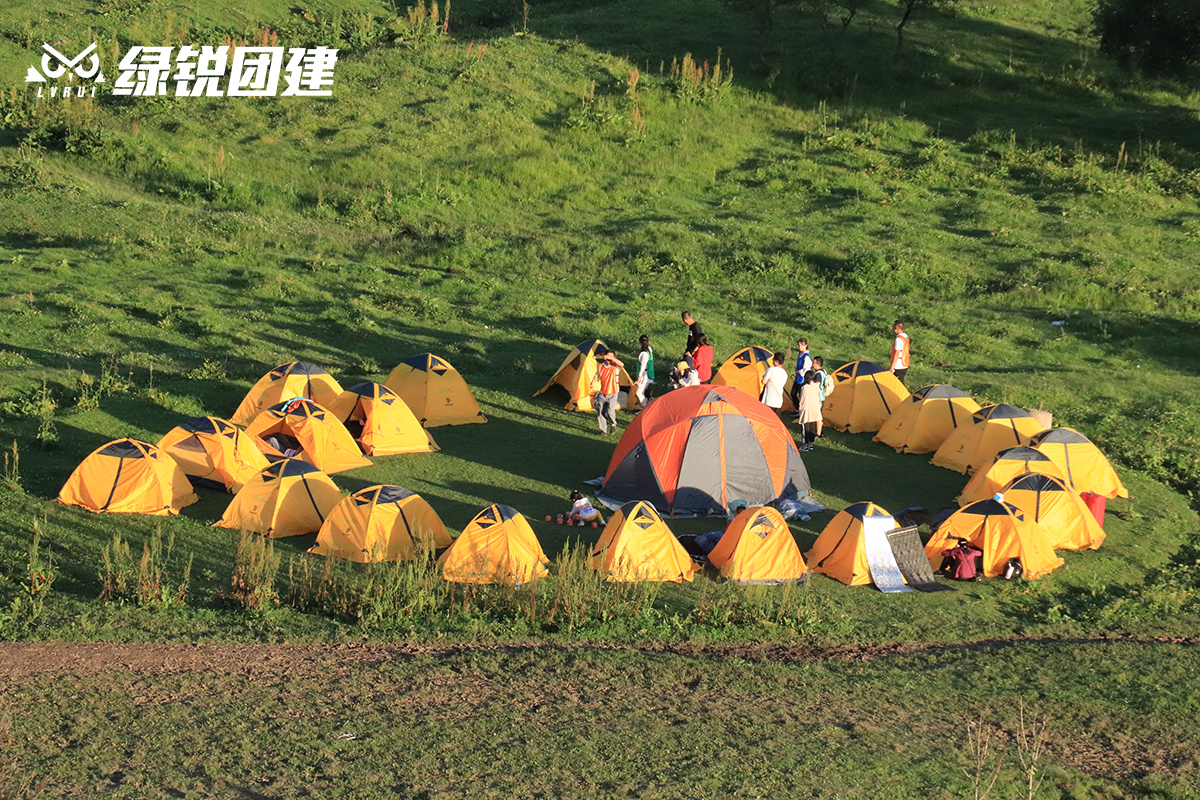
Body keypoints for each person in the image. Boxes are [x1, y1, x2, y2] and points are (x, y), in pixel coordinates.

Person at [594, 349, 625, 435]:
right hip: (603, 393)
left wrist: (612, 358)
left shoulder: (616, 366)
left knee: (610, 411)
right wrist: (593, 383)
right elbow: (597, 375)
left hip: (613, 392)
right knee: (600, 412)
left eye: (611, 357)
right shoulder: (600, 366)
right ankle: (603, 430)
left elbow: (622, 364)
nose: (609, 359)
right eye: (608, 357)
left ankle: (613, 424)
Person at [796, 370, 823, 451]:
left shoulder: (804, 388)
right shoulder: (816, 386)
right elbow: (819, 397)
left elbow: (803, 399)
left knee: (806, 427)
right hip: (815, 408)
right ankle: (811, 443)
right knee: (812, 426)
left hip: (807, 409)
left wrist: (800, 409)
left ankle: (805, 444)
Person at [788, 338, 812, 410]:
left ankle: (801, 410)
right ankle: (797, 409)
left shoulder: (806, 356)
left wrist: (799, 371)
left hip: (803, 378)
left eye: (801, 345)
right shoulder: (800, 354)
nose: (800, 347)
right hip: (798, 377)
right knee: (793, 393)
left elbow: (806, 369)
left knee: (801, 395)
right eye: (799, 345)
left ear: (806, 346)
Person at [635, 334, 654, 407]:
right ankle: (646, 404)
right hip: (649, 373)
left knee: (639, 393)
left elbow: (643, 365)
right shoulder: (649, 349)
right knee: (643, 391)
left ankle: (645, 408)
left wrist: (639, 377)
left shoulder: (644, 353)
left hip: (644, 374)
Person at [889, 320, 910, 386]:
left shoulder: (899, 339)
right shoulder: (905, 336)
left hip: (899, 365)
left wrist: (892, 367)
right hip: (905, 363)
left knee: (899, 385)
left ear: (896, 328)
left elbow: (897, 354)